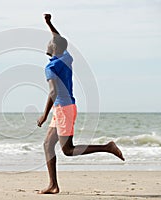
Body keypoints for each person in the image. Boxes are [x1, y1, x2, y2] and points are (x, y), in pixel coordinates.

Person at [37, 14, 125, 194]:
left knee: (67, 150)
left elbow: (53, 92)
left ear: (54, 47)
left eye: (50, 41)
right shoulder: (65, 58)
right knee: (48, 145)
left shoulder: (51, 67)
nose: (48, 42)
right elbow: (59, 40)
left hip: (63, 109)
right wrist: (49, 23)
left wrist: (44, 115)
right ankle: (53, 185)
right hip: (64, 108)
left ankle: (107, 147)